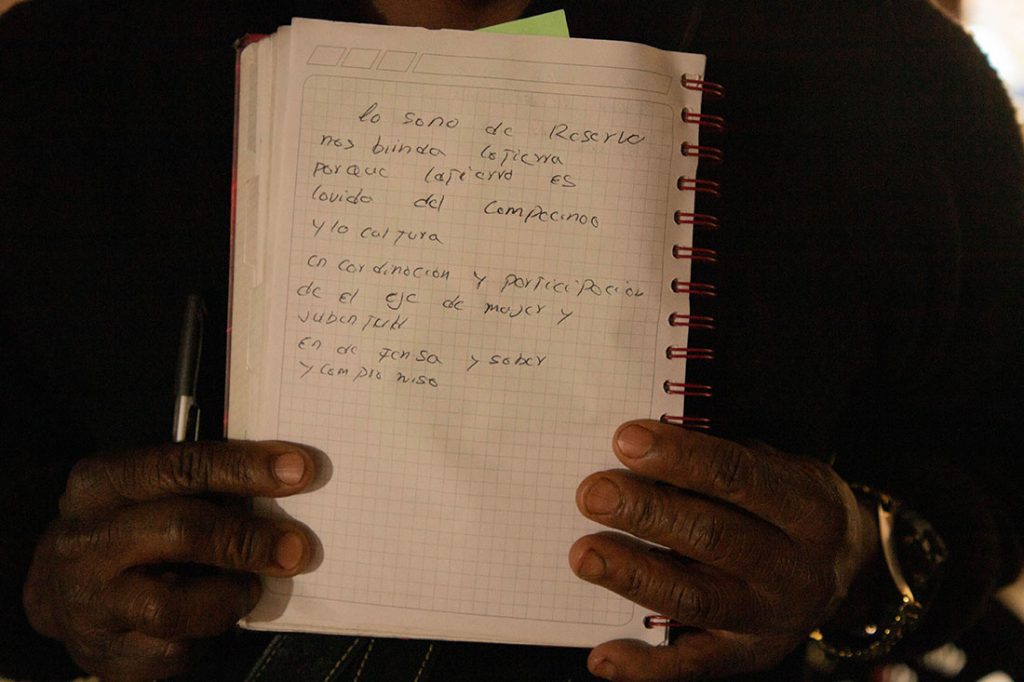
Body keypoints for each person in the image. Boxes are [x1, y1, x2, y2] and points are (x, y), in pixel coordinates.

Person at [2, 0, 1022, 680]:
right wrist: (44, 586)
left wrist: (860, 559)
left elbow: (999, 476)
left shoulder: (898, 77)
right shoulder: (58, 73)